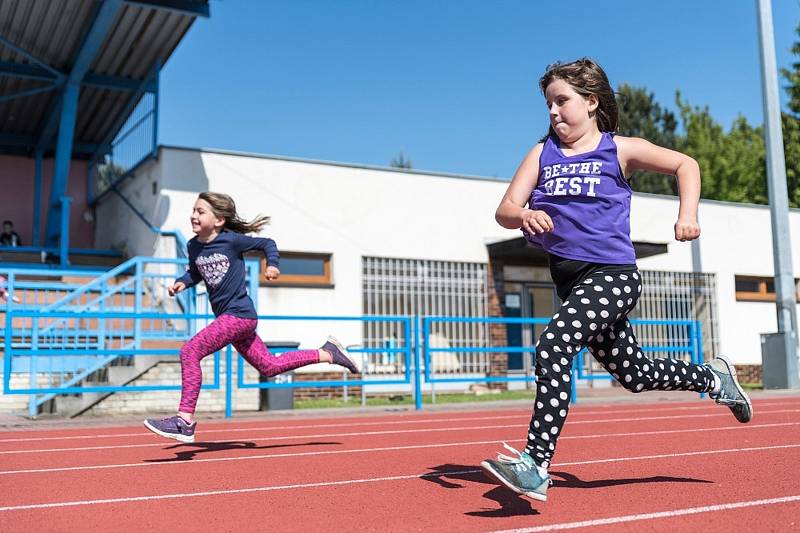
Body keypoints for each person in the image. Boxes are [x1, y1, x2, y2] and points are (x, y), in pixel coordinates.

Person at [480, 58, 752, 503]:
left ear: (591, 102)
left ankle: (535, 464)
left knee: (552, 346)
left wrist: (686, 215)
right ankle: (713, 378)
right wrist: (525, 213)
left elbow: (687, 164)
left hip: (613, 277)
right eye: (548, 103)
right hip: (572, 284)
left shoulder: (619, 150)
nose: (553, 111)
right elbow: (505, 209)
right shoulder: (541, 152)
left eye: (562, 101)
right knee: (635, 375)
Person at [144, 192, 358, 443]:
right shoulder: (193, 246)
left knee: (189, 352)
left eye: (200, 211)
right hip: (232, 319)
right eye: (193, 210)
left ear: (219, 220)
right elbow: (195, 272)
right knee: (270, 366)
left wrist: (273, 264)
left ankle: (184, 419)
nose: (193, 215)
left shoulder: (232, 241)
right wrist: (182, 283)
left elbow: (267, 243)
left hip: (239, 315)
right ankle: (328, 353)